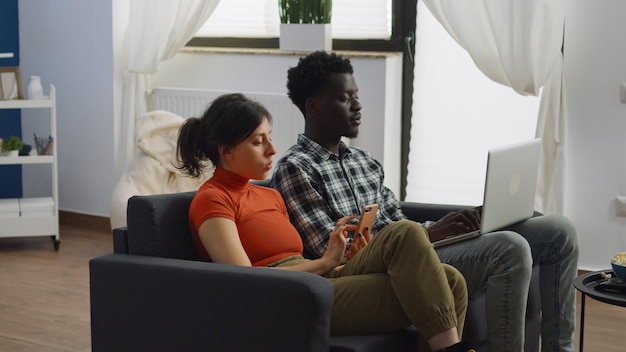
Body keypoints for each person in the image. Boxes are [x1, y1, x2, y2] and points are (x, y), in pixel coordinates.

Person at [270, 51, 579, 352]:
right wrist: (428, 234)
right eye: (345, 98)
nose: (358, 105)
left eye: (356, 95)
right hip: (378, 270)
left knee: (558, 231)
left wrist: (446, 228)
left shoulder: (363, 161)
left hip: (414, 248)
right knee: (509, 248)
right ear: (313, 107)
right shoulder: (296, 168)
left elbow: (396, 220)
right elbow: (335, 251)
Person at [176, 93, 475, 352]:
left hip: (314, 278)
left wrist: (343, 259)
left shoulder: (268, 195)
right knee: (429, 268)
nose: (272, 149)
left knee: (446, 274)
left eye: (269, 136)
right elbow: (244, 283)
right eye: (258, 141)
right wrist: (325, 262)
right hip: (282, 299)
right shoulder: (213, 199)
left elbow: (299, 261)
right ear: (225, 150)